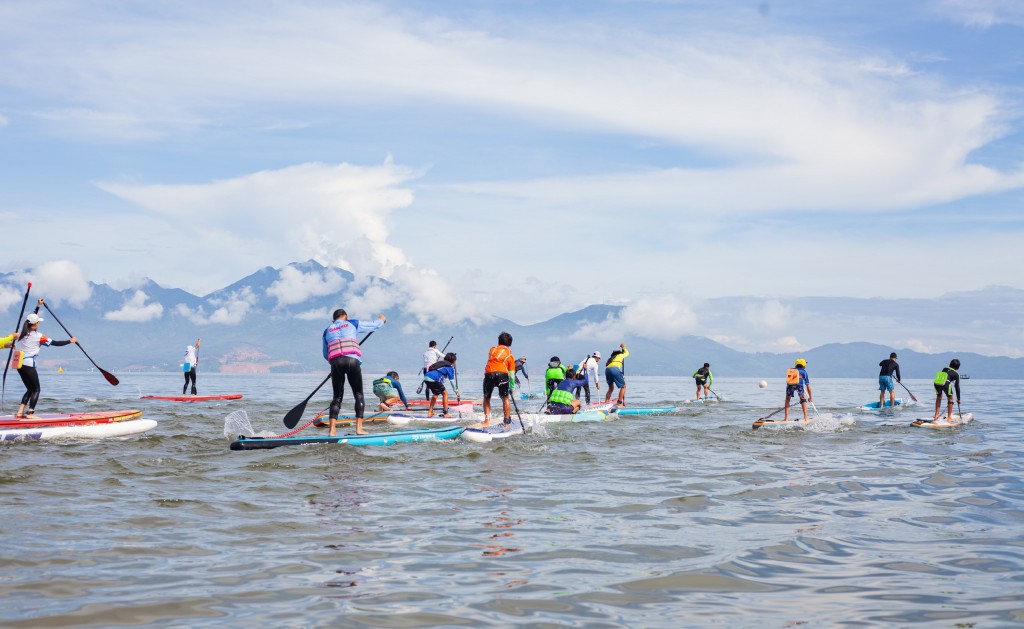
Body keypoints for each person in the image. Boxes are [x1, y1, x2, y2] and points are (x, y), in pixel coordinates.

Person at [322, 309, 387, 436]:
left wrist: (334, 366)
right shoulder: (352, 323)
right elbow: (375, 325)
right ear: (345, 317)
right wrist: (382, 319)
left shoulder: (327, 330)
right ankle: (359, 429)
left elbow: (326, 353)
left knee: (337, 397)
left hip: (336, 363)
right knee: (358, 394)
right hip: (352, 361)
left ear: (333, 320)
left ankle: (332, 431)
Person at [14, 299, 77, 418]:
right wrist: (70, 341)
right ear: (36, 324)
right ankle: (30, 413)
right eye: (38, 322)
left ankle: (20, 411)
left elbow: (30, 319)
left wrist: (38, 306)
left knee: (30, 388)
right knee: (37, 389)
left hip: (19, 365)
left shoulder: (22, 333)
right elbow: (55, 343)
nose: (39, 323)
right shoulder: (39, 337)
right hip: (28, 364)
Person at [482, 332, 516, 428]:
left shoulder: (492, 350)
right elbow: (512, 374)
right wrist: (512, 387)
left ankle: (487, 421)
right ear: (510, 343)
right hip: (502, 374)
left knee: (486, 397)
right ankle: (506, 422)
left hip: (489, 373)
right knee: (505, 398)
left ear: (499, 341)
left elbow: (492, 360)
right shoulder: (510, 355)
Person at [423, 352, 458, 417]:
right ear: (453, 361)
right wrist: (456, 391)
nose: (455, 362)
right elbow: (452, 381)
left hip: (426, 377)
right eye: (455, 361)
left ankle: (430, 412)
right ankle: (446, 413)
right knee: (445, 393)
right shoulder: (449, 368)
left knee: (436, 394)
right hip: (434, 379)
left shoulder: (441, 363)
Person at [783, 358, 812, 422]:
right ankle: (806, 418)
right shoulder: (804, 372)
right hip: (799, 385)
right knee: (803, 399)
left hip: (790, 385)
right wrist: (810, 397)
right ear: (804, 366)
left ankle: (786, 418)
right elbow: (808, 386)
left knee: (788, 399)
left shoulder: (791, 370)